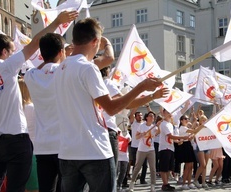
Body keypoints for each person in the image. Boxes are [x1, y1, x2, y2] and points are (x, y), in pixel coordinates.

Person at [53, 18, 164, 192]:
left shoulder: (60, 68)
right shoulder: (88, 68)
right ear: (95, 42)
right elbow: (111, 108)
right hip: (93, 149)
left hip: (68, 151)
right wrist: (141, 87)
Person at [0, 11, 77, 192]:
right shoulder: (5, 66)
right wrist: (57, 22)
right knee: (16, 188)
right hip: (15, 138)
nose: (14, 55)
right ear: (4, 52)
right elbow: (35, 43)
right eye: (12, 51)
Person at [24, 33, 67, 192]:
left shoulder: (31, 75)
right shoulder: (64, 72)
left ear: (41, 55)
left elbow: (38, 67)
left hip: (42, 146)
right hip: (64, 145)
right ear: (61, 52)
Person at [159, 109, 189, 191]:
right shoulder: (163, 124)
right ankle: (165, 184)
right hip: (164, 148)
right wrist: (182, 137)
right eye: (167, 112)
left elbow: (172, 138)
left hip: (170, 147)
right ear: (164, 113)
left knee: (169, 168)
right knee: (164, 168)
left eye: (170, 112)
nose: (170, 114)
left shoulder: (170, 124)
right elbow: (170, 136)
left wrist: (178, 141)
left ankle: (166, 183)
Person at [129, 111, 160, 192]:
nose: (152, 117)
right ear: (147, 117)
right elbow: (136, 137)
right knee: (137, 167)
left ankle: (152, 185)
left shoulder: (154, 127)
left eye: (153, 116)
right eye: (150, 116)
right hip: (141, 149)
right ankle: (132, 183)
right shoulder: (141, 126)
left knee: (153, 168)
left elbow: (158, 133)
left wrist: (159, 126)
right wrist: (142, 134)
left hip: (151, 149)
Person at [18, 79, 38, 192]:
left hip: (18, 152)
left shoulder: (15, 110)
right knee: (34, 188)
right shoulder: (33, 108)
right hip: (35, 151)